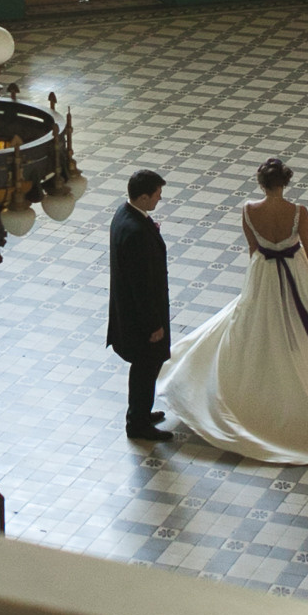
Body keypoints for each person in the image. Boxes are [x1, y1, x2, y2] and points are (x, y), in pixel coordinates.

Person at [161, 155, 308, 464]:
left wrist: (256, 284)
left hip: (263, 275)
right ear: (285, 183)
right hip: (294, 273)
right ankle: (295, 376)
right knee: (295, 327)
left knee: (257, 327)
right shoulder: (298, 212)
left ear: (261, 184)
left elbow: (253, 250)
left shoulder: (248, 210)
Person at [107, 167, 172, 442]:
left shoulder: (124, 215)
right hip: (140, 320)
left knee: (146, 368)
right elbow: (141, 286)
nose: (159, 199)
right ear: (144, 197)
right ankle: (138, 423)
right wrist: (153, 325)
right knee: (146, 367)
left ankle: (143, 412)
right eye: (157, 194)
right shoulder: (135, 232)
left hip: (131, 314)